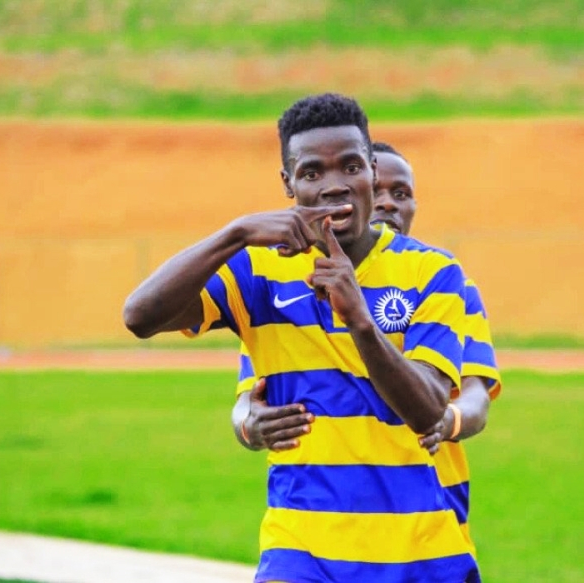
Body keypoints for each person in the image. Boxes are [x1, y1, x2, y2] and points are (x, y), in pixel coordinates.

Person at [123, 93, 479, 582]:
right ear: (288, 183)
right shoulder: (257, 271)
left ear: (373, 171)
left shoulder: (433, 271)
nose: (334, 186)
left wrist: (360, 321)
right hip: (301, 555)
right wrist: (236, 233)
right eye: (312, 173)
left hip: (419, 554)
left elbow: (427, 411)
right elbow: (140, 316)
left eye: (351, 167)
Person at [231, 141, 502, 555]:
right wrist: (248, 426)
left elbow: (476, 399)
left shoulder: (447, 283)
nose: (390, 204)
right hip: (320, 534)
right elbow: (250, 397)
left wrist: (442, 420)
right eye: (381, 193)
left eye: (403, 194)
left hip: (426, 524)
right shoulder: (288, 288)